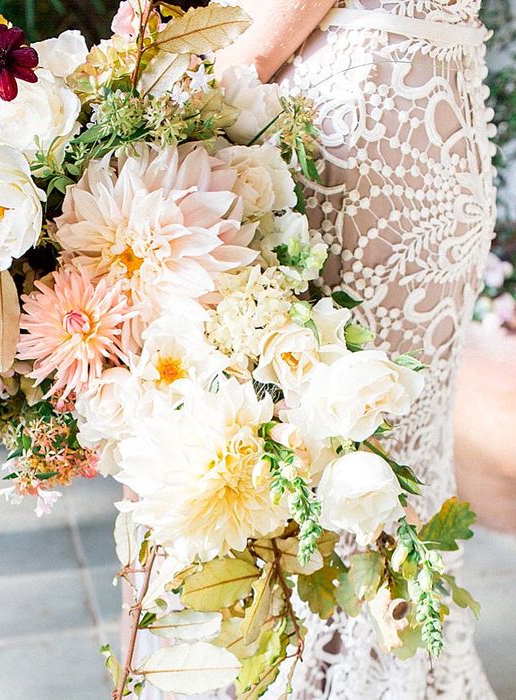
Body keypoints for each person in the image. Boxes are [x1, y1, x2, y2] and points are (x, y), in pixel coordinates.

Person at [207, 0, 498, 697]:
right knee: (374, 458)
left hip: (361, 135)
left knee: (335, 453)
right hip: (428, 109)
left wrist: (166, 108)